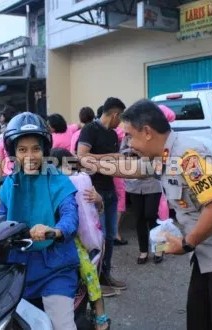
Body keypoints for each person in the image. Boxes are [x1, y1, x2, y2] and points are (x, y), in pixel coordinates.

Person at [112, 99, 212, 329]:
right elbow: (129, 168)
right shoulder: (163, 155)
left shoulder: (188, 156)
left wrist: (186, 244)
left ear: (147, 132)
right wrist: (85, 162)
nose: (128, 143)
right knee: (199, 320)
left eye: (129, 136)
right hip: (207, 255)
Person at [0, 112, 79, 330]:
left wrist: (55, 230)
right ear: (14, 153)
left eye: (35, 148)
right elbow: (0, 221)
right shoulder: (9, 185)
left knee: (62, 325)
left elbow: (70, 216)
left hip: (56, 267)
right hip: (18, 268)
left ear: (45, 149)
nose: (30, 156)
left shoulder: (59, 181)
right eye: (22, 150)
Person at [50, 147, 111, 330]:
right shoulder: (50, 186)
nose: (67, 172)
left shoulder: (82, 180)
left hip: (82, 241)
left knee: (89, 273)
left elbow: (96, 210)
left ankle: (100, 314)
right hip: (58, 240)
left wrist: (98, 199)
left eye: (69, 167)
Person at [77, 97, 127, 296]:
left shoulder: (114, 134)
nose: (120, 122)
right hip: (93, 191)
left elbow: (112, 161)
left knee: (109, 236)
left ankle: (105, 274)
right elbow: (81, 156)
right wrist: (111, 157)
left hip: (110, 189)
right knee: (96, 237)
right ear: (114, 114)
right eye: (120, 117)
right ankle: (93, 281)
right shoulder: (90, 129)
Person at [121, 133, 163, 264]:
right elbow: (122, 153)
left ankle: (159, 248)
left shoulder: (150, 136)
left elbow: (158, 155)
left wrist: (140, 153)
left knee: (151, 215)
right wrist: (130, 152)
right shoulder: (127, 137)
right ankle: (143, 251)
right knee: (139, 218)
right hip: (133, 184)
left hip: (152, 182)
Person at [0, 105, 20, 177]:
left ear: (5, 117)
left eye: (2, 115)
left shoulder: (2, 136)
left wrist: (1, 178)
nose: (0, 117)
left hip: (8, 174)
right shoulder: (19, 133)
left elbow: (0, 159)